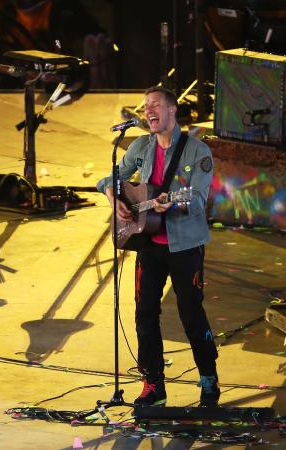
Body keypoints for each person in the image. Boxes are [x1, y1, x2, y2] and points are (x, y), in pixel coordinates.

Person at [96, 86, 219, 407]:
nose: (149, 110)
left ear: (172, 110)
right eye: (146, 106)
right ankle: (153, 383)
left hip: (185, 247)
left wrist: (173, 205)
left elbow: (197, 198)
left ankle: (208, 378)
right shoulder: (140, 146)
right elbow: (110, 178)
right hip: (148, 244)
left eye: (156, 105)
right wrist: (115, 199)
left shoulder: (198, 152)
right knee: (144, 312)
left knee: (191, 313)